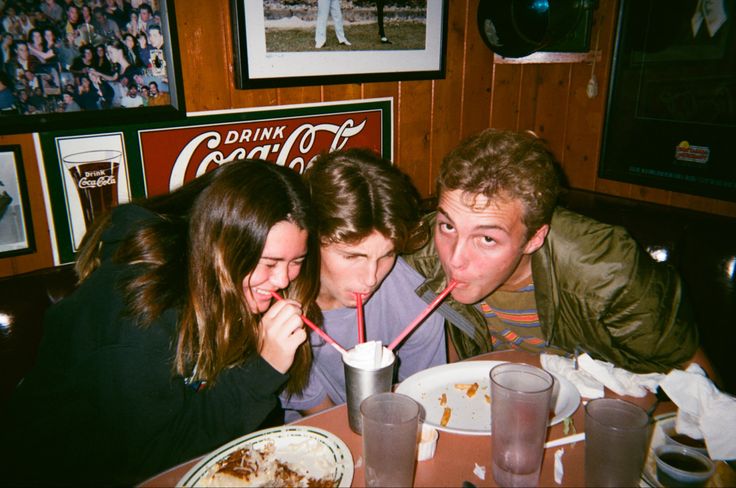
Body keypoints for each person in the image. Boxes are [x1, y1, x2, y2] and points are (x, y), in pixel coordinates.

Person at [0, 159, 321, 485]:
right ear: (223, 246)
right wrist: (263, 369)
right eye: (269, 262)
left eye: (296, 261)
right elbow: (155, 459)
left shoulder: (226, 286)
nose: (282, 279)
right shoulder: (139, 305)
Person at [403, 128, 703, 374]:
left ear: (534, 238)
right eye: (448, 226)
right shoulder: (423, 251)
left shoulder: (605, 270)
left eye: (487, 240)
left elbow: (693, 375)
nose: (454, 259)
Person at [281, 149, 446, 420]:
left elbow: (422, 400)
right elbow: (314, 409)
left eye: (387, 254)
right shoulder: (276, 298)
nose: (371, 278)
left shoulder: (418, 308)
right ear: (310, 240)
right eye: (352, 256)